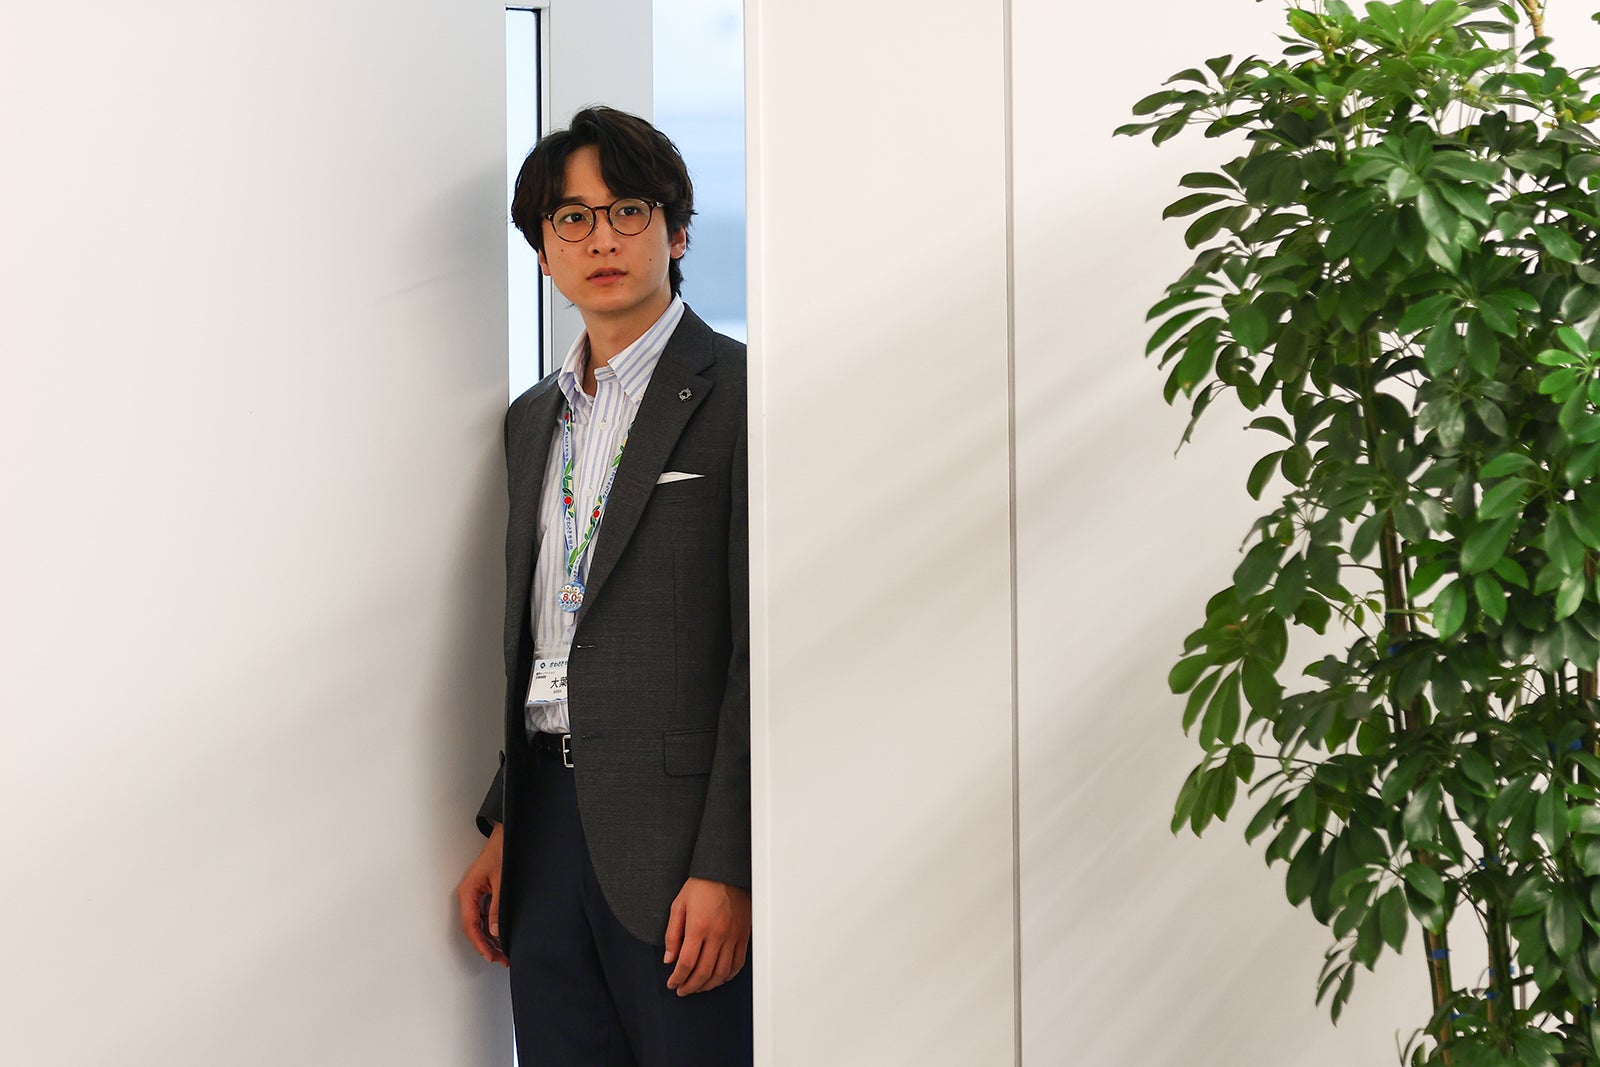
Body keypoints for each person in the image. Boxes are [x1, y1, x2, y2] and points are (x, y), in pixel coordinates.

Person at [454, 106, 752, 1066]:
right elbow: (546, 635)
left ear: (676, 230)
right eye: (571, 219)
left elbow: (757, 651)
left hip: (678, 853)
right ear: (545, 253)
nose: (601, 239)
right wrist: (509, 820)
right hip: (544, 834)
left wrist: (731, 864)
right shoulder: (531, 420)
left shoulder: (744, 396)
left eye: (627, 210)